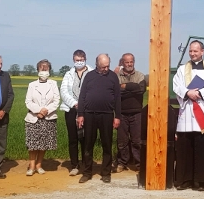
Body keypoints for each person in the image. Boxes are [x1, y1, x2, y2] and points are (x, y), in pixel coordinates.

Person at [172, 40, 204, 191]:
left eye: (195, 51)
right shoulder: (182, 69)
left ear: (202, 52)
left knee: (203, 146)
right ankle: (185, 180)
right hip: (187, 111)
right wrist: (187, 93)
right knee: (186, 145)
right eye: (191, 51)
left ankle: (203, 181)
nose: (192, 54)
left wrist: (199, 93)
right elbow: (176, 86)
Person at [77, 53, 121, 184]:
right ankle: (87, 173)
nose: (106, 69)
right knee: (88, 145)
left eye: (108, 66)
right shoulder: (89, 76)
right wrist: (80, 114)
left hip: (107, 115)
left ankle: (106, 173)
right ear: (97, 64)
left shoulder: (113, 77)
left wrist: (117, 116)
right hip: (89, 115)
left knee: (107, 144)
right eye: (103, 67)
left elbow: (117, 98)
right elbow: (82, 96)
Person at [59, 49, 92, 176]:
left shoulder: (91, 73)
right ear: (73, 60)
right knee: (73, 139)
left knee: (85, 138)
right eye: (77, 60)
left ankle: (86, 164)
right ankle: (74, 165)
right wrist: (74, 103)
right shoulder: (68, 74)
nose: (79, 62)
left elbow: (93, 91)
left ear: (85, 59)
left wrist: (83, 104)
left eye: (81, 60)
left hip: (87, 110)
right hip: (71, 109)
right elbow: (63, 91)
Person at [24, 59, 60, 176]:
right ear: (37, 70)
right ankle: (31, 166)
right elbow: (28, 101)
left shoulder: (53, 84)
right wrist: (38, 111)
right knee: (33, 144)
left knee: (43, 143)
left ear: (49, 70)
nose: (44, 70)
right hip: (34, 117)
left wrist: (45, 111)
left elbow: (56, 100)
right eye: (41, 68)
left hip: (48, 117)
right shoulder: (32, 85)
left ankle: (39, 165)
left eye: (46, 68)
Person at [114, 53, 146, 173]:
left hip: (137, 113)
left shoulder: (140, 75)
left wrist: (124, 87)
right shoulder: (117, 76)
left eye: (131, 61)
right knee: (122, 141)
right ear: (122, 63)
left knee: (137, 140)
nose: (129, 64)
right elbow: (116, 92)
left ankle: (139, 163)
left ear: (134, 62)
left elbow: (141, 89)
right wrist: (132, 89)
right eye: (127, 62)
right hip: (121, 113)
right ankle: (122, 162)